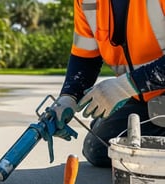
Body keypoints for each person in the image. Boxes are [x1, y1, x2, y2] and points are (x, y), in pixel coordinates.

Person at [48, 0, 165, 167]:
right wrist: (69, 96)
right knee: (98, 149)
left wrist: (125, 86)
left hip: (145, 86)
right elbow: (85, 56)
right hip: (142, 97)